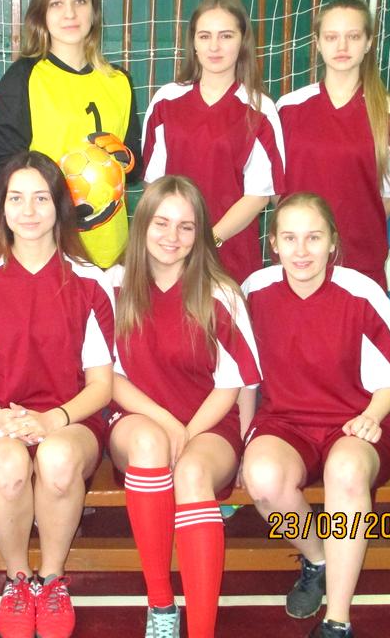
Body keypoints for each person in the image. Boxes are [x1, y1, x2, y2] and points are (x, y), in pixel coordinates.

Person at [240, 192, 390, 638]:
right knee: (262, 478)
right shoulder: (255, 291)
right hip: (285, 424)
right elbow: (242, 377)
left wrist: (372, 415)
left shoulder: (362, 293)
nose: (301, 250)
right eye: (290, 238)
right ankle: (318, 559)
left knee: (346, 471)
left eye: (314, 237)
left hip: (354, 422)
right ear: (273, 244)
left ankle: (337, 619)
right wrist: (243, 440)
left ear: (333, 242)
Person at [0, 151, 115, 638]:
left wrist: (52, 420)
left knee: (57, 460)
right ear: (1, 207)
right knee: (8, 467)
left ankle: (51, 580)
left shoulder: (89, 281)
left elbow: (102, 384)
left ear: (60, 206)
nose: (28, 211)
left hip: (70, 419)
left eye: (41, 198)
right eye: (16, 198)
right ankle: (17, 580)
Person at [106, 176, 262, 638]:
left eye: (186, 226)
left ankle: (202, 630)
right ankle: (161, 605)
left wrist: (189, 434)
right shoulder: (112, 286)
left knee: (192, 472)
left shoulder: (221, 293)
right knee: (150, 445)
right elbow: (108, 377)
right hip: (138, 420)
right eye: (161, 223)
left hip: (210, 424)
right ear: (141, 225)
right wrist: (169, 426)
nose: (172, 236)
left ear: (200, 234)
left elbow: (232, 386)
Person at [0, 0, 142, 268]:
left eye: (80, 1)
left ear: (94, 12)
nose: (70, 13)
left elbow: (133, 170)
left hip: (112, 248)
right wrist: (51, 196)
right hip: (47, 248)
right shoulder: (24, 76)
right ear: (41, 14)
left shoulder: (119, 81)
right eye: (57, 3)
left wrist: (126, 160)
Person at [275, 0, 390, 289]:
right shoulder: (288, 108)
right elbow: (274, 186)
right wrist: (304, 228)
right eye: (331, 37)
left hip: (361, 262)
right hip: (298, 262)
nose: (342, 47)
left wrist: (356, 224)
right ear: (317, 42)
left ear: (368, 42)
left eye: (353, 36)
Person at [142, 0, 284, 284]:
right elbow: (154, 185)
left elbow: (258, 195)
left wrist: (208, 240)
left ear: (242, 41)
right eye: (205, 36)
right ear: (193, 42)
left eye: (226, 36)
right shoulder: (166, 100)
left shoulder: (260, 108)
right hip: (171, 254)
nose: (214, 46)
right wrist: (177, 239)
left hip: (231, 257)